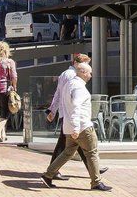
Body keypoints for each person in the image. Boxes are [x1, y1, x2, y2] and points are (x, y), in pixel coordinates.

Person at [41, 63, 111, 191]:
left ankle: (48, 175)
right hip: (82, 126)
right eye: (89, 73)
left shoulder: (69, 84)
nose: (91, 75)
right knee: (92, 153)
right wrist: (76, 128)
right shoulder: (79, 87)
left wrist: (72, 127)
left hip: (70, 126)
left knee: (68, 152)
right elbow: (76, 107)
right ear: (83, 72)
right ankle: (96, 182)